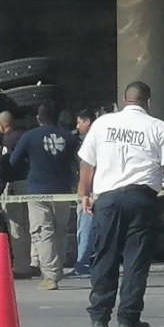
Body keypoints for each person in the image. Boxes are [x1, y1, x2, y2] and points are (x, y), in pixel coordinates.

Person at [78, 81, 164, 327]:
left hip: (107, 200)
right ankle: (128, 317)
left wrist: (83, 194)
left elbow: (86, 162)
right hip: (141, 199)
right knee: (135, 259)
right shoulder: (158, 127)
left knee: (104, 256)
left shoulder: (102, 124)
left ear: (124, 99)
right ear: (148, 102)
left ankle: (99, 315)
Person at [11, 101, 79, 290]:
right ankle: (58, 264)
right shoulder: (69, 137)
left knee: (42, 231)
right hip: (64, 189)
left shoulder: (30, 136)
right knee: (60, 229)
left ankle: (51, 275)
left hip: (38, 189)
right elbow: (78, 161)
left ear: (38, 118)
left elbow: (14, 160)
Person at [0, 111, 33, 278]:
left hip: (16, 185)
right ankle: (35, 262)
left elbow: (5, 166)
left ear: (2, 125)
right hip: (32, 185)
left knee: (17, 228)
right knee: (33, 226)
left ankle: (21, 267)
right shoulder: (26, 136)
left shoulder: (8, 140)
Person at [73, 109, 97, 277]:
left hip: (90, 190)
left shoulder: (89, 142)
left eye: (79, 122)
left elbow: (86, 167)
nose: (77, 126)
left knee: (85, 225)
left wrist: (84, 193)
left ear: (87, 121)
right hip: (97, 188)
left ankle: (83, 262)